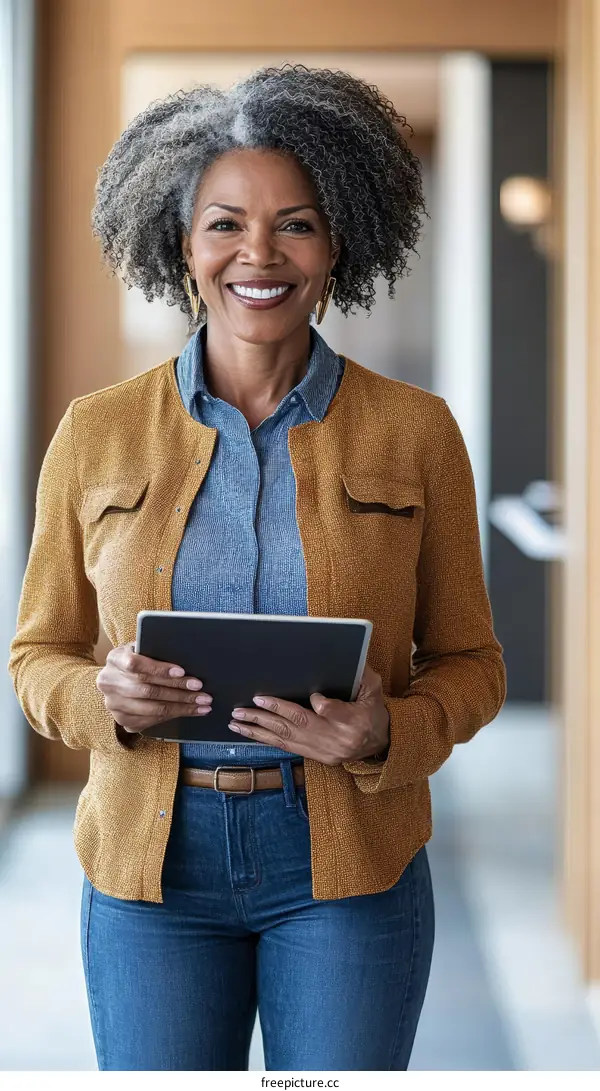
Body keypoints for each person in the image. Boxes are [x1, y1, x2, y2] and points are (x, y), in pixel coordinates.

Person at [8, 63, 506, 1072]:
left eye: (298, 224)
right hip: (151, 865)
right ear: (182, 245)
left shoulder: (416, 432)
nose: (259, 254)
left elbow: (473, 661)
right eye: (225, 223)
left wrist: (390, 727)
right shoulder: (95, 432)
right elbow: (36, 655)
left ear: (338, 247)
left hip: (347, 863)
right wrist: (101, 694)